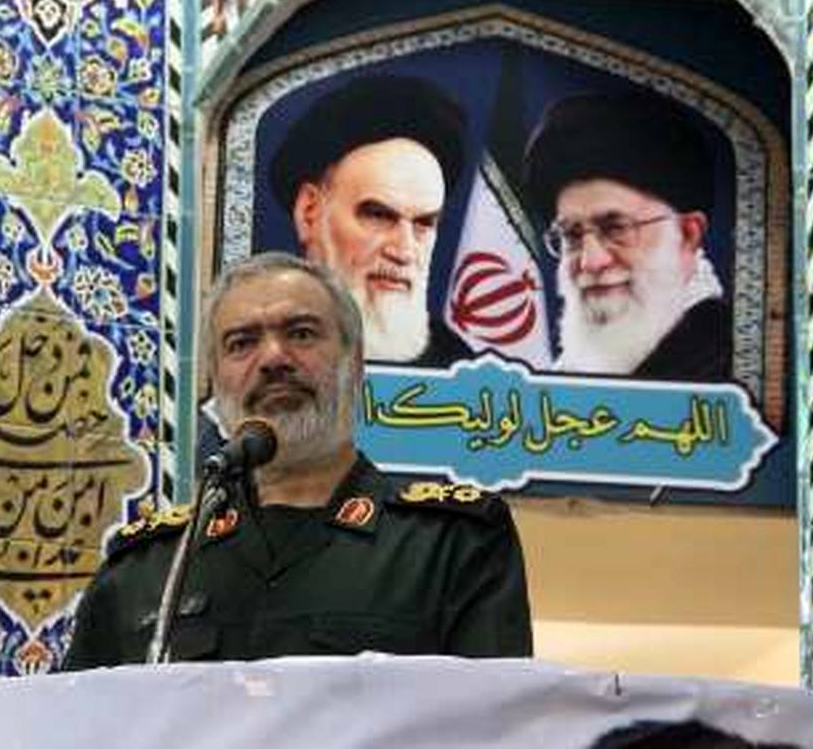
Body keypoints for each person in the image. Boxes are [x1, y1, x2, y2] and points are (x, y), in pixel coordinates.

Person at [64, 253, 532, 668]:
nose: (273, 358)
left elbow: (491, 722)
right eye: (241, 343)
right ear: (215, 378)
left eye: (301, 334)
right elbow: (84, 721)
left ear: (355, 362)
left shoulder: (450, 544)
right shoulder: (151, 567)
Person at [523, 91, 731, 381]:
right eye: (572, 235)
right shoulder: (570, 371)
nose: (591, 262)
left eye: (615, 228)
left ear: (687, 235)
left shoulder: (728, 366)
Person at [270, 74, 471, 366]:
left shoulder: (462, 369)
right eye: (379, 216)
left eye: (423, 224)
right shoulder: (256, 347)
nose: (404, 251)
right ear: (309, 212)